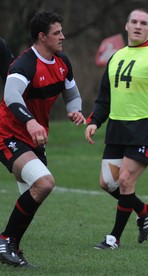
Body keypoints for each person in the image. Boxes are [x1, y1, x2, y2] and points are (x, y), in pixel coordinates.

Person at [85, 8, 148, 250]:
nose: (138, 26)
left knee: (126, 181)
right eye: (134, 22)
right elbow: (104, 97)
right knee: (108, 184)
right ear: (126, 26)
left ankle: (113, 238)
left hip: (147, 129)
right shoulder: (115, 57)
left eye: (143, 23)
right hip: (118, 128)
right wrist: (95, 120)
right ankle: (144, 209)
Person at [0, 11, 86, 267]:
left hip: (35, 138)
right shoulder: (24, 64)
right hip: (9, 133)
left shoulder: (62, 62)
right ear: (42, 37)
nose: (63, 36)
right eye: (57, 33)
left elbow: (73, 95)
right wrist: (30, 121)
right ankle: (5, 241)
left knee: (33, 193)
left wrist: (75, 110)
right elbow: (11, 96)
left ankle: (11, 247)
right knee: (44, 183)